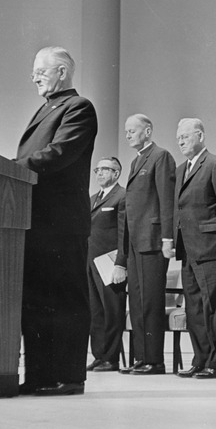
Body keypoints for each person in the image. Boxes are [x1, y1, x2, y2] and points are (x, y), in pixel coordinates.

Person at [16, 46, 98, 396]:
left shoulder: (78, 108)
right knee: (36, 299)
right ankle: (39, 375)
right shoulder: (47, 108)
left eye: (41, 70)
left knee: (63, 299)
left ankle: (68, 377)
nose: (33, 76)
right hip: (36, 220)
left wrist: (11, 166)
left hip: (61, 222)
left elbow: (59, 153)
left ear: (62, 72)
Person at [171, 118, 216, 379]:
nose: (181, 141)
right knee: (193, 308)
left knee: (214, 307)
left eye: (185, 136)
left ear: (199, 135)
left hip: (211, 248)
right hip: (187, 248)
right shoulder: (179, 170)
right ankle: (200, 359)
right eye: (178, 138)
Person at [116, 114, 176, 375]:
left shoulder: (160, 156)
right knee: (138, 302)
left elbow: (166, 199)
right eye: (126, 131)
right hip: (135, 242)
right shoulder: (135, 160)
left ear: (148, 131)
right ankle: (141, 357)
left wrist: (167, 238)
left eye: (133, 130)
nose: (128, 135)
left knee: (151, 301)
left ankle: (154, 360)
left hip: (152, 241)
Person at [86, 157, 126, 373]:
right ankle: (99, 356)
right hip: (91, 263)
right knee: (96, 312)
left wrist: (121, 264)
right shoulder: (93, 198)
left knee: (112, 311)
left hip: (110, 263)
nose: (99, 173)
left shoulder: (121, 196)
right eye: (97, 170)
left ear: (116, 173)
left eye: (105, 169)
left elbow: (123, 233)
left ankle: (111, 358)